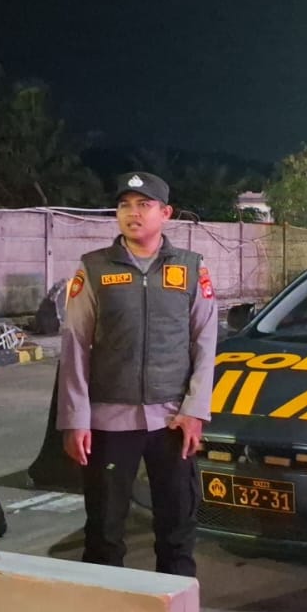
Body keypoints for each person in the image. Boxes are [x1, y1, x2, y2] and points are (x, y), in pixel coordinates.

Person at [58, 172, 217, 576]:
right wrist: (76, 419)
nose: (133, 213)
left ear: (166, 213)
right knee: (104, 533)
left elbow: (205, 342)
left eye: (144, 205)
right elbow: (75, 344)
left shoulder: (190, 268)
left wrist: (195, 410)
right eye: (125, 205)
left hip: (173, 421)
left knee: (178, 530)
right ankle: (104, 610)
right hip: (109, 422)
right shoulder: (94, 268)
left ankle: (176, 610)